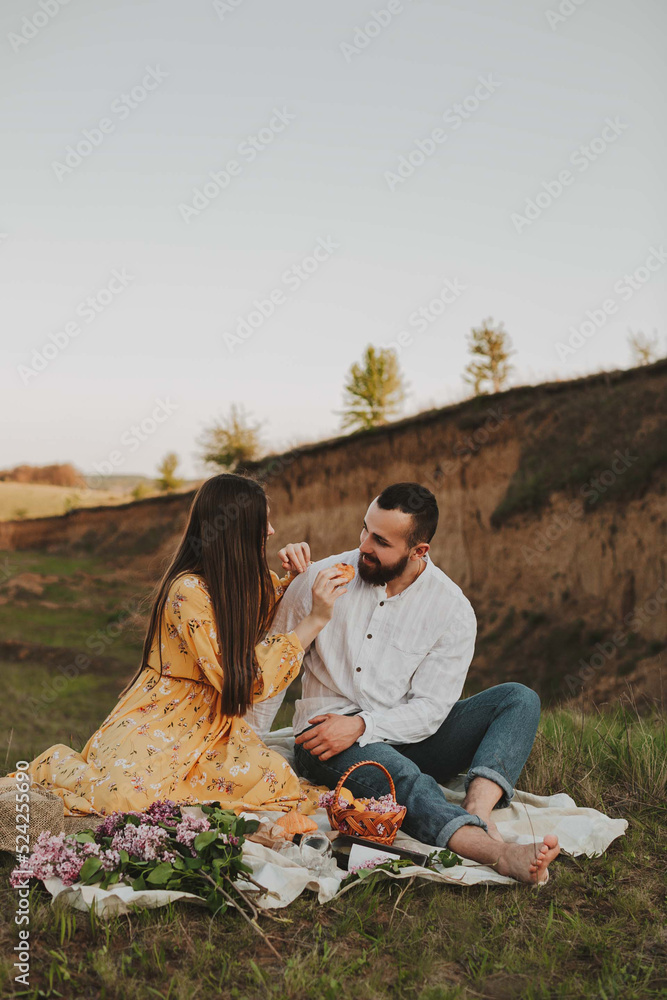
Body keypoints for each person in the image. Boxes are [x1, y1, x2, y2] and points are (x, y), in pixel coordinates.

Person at [246, 482, 560, 884]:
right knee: (402, 775)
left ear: (419, 551)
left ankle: (478, 811)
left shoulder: (452, 609)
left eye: (381, 541)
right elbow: (273, 672)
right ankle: (496, 852)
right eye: (365, 530)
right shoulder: (319, 580)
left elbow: (431, 708)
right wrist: (245, 747)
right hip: (325, 739)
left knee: (518, 699)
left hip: (409, 735)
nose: (364, 545)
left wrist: (364, 725)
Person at [22, 474, 348, 816]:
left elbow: (260, 612)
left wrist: (294, 578)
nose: (271, 531)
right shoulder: (187, 592)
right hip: (162, 716)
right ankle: (56, 764)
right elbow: (244, 679)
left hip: (212, 726)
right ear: (237, 531)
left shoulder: (238, 583)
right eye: (262, 522)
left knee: (275, 780)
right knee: (122, 800)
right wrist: (314, 620)